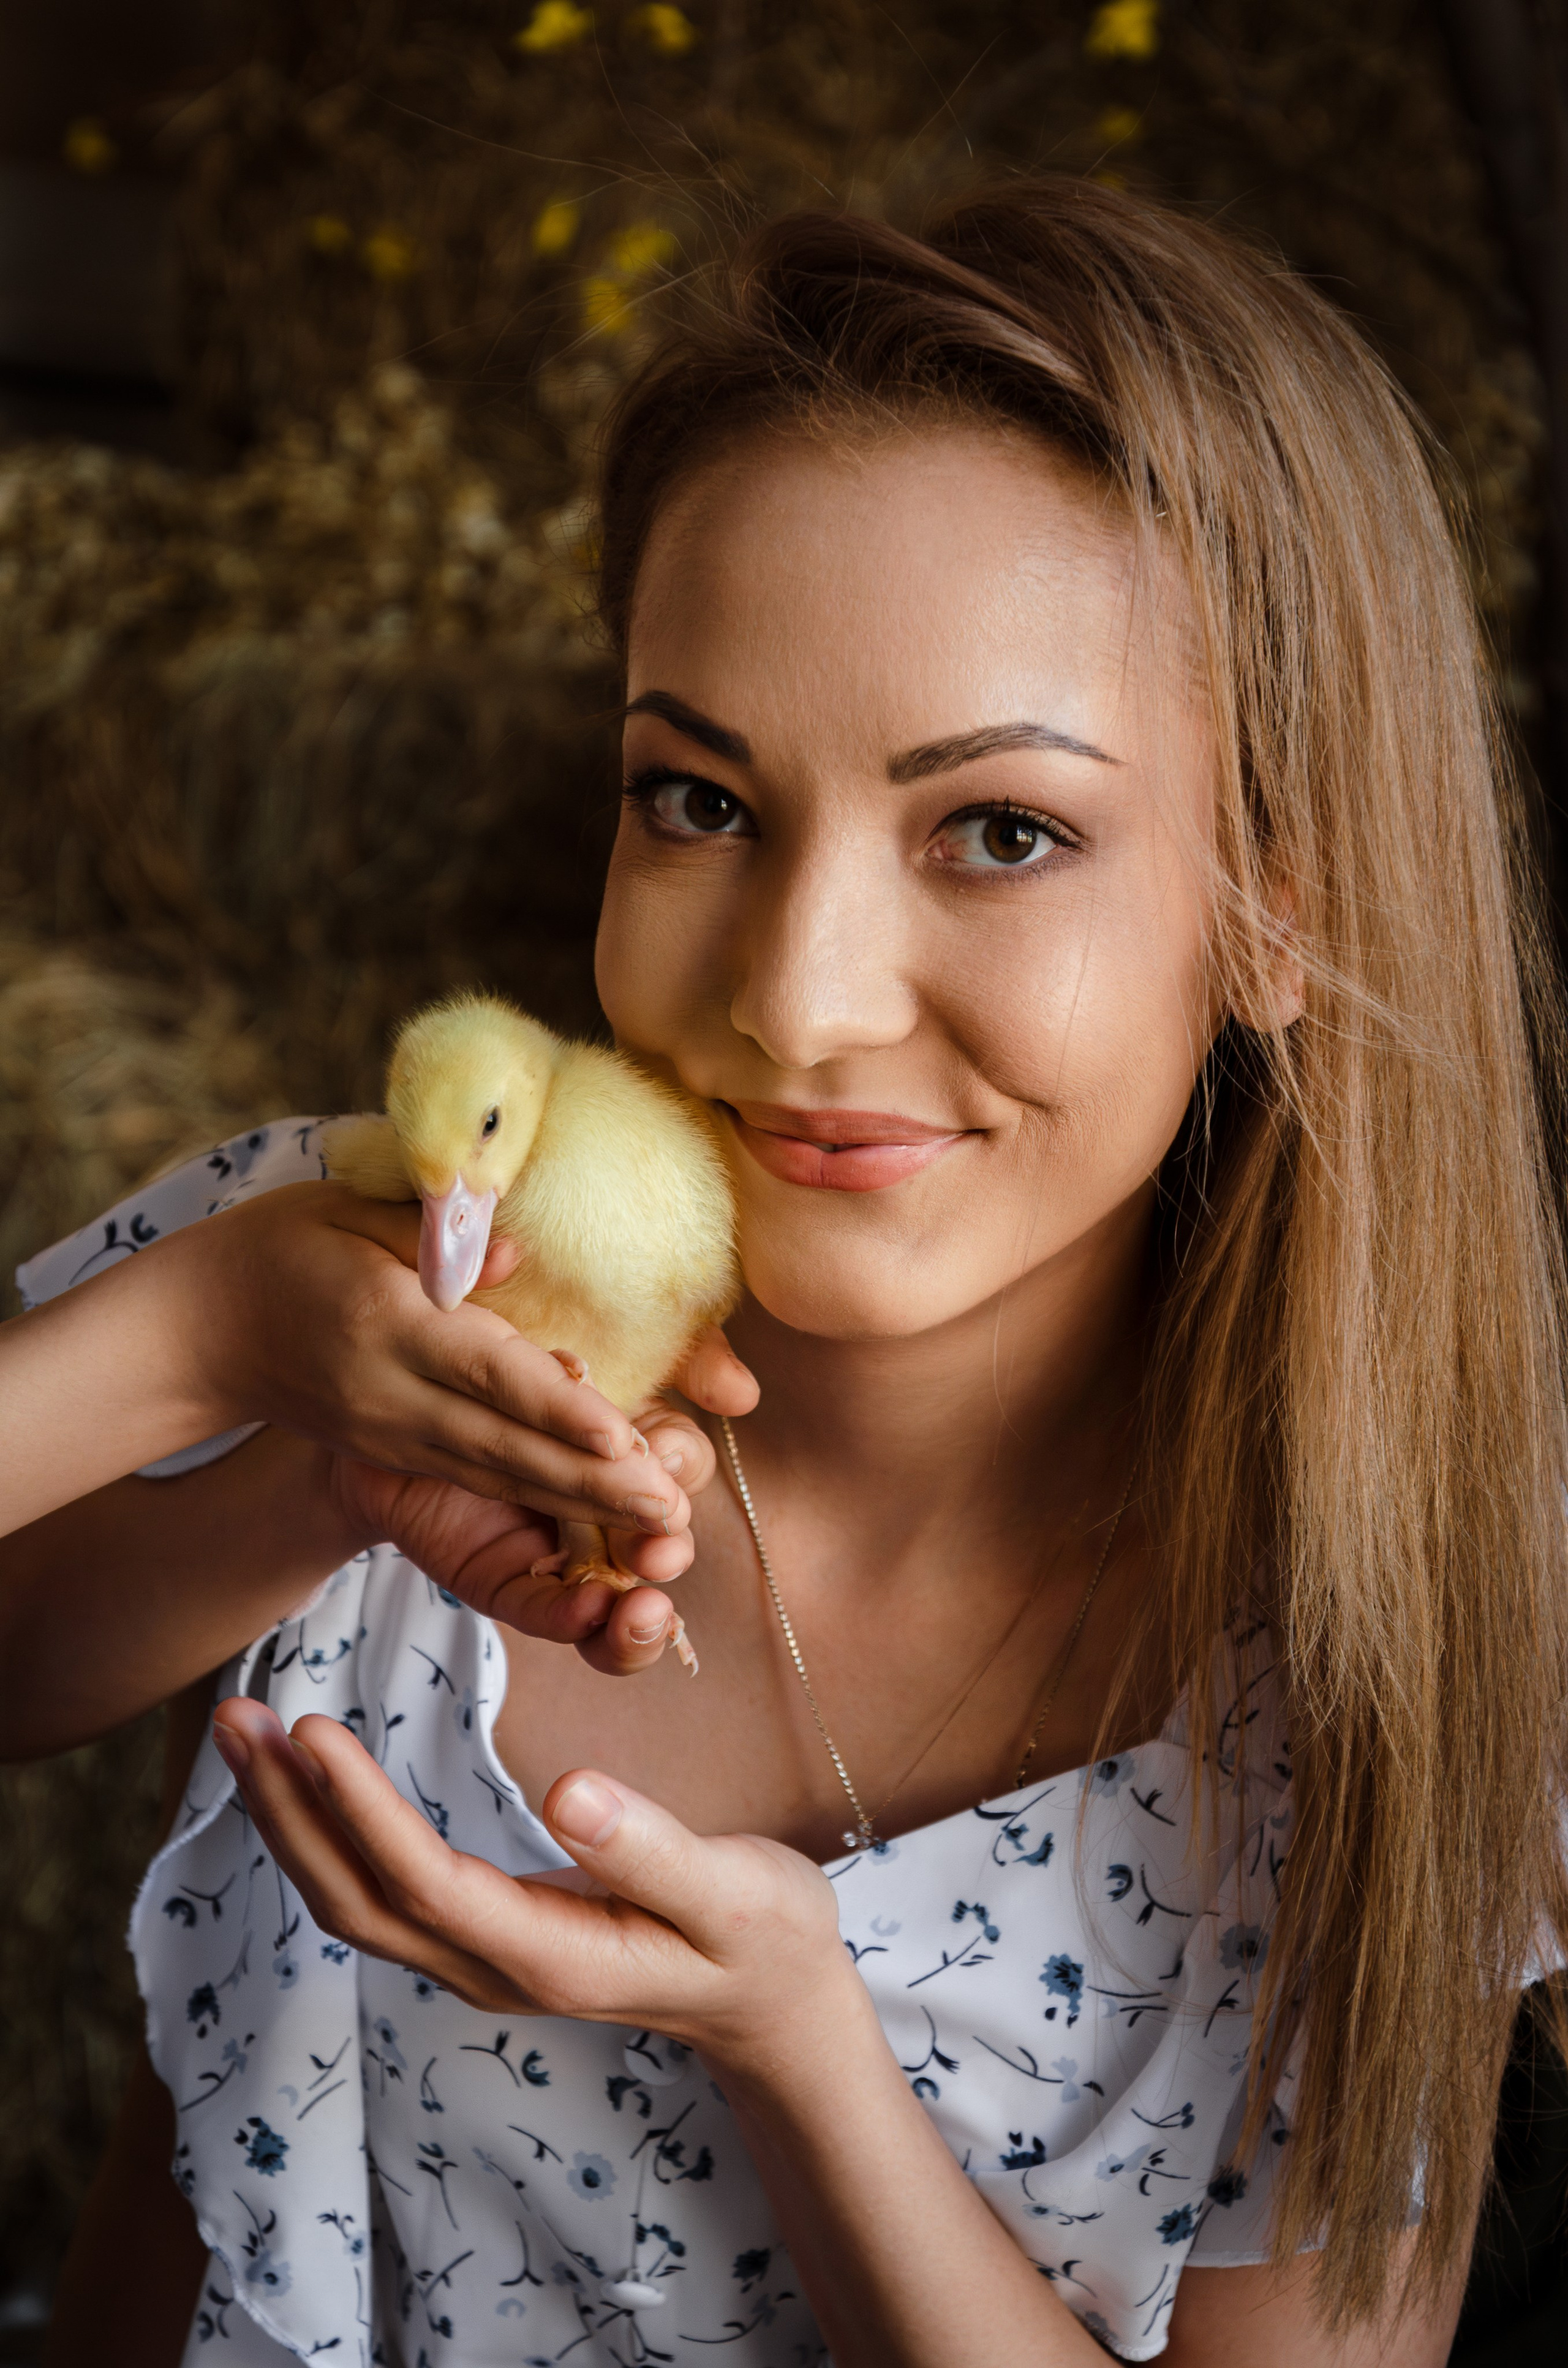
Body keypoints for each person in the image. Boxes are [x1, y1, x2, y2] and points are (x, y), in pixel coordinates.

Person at [7, 178, 1566, 2366]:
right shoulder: (377, 1277)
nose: (801, 999)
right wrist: (234, 1374)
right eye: (702, 800)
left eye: (1001, 829)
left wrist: (803, 2051)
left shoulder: (1379, 1651)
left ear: (1280, 904)